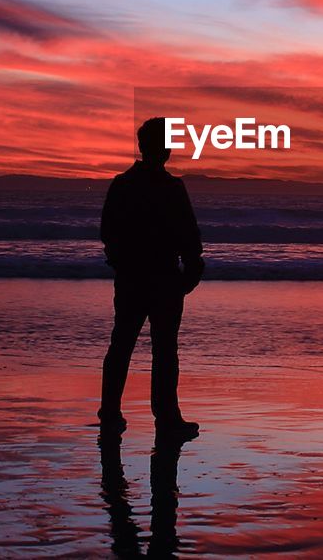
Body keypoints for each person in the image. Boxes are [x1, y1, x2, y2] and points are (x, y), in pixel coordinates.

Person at [99, 117, 204, 441]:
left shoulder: (123, 184)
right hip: (160, 278)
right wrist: (190, 269)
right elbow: (188, 235)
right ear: (162, 148)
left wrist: (120, 263)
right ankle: (165, 417)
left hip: (135, 277)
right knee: (162, 349)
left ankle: (112, 412)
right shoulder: (170, 188)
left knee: (124, 344)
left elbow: (109, 232)